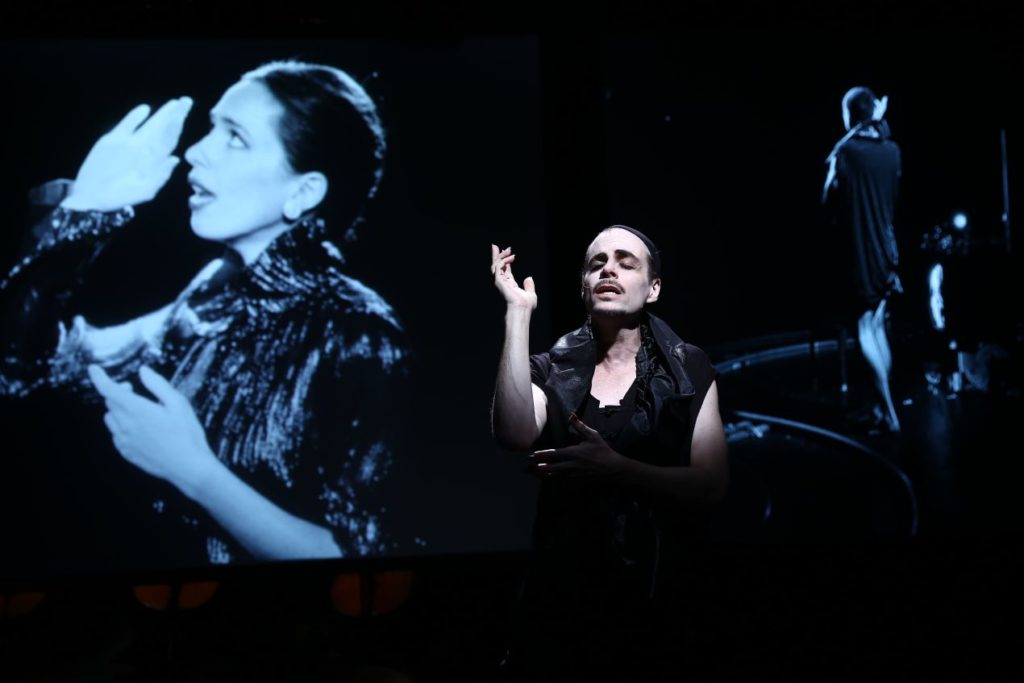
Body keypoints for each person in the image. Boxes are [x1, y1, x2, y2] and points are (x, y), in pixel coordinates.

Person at [0, 60, 410, 566]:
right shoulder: (212, 293)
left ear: (303, 192)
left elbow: (364, 560)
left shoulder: (356, 329)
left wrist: (194, 473)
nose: (195, 151)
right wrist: (86, 208)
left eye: (235, 137)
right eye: (213, 127)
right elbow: (26, 373)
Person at [489, 226, 728, 679]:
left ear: (653, 288)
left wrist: (616, 469)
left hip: (663, 597)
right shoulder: (550, 368)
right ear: (583, 284)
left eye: (625, 261)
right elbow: (515, 433)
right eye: (597, 263)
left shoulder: (689, 366)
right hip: (566, 603)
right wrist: (517, 314)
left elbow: (711, 483)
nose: (609, 269)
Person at [822, 86, 903, 432]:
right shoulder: (893, 151)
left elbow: (827, 200)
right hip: (887, 251)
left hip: (862, 254)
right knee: (878, 328)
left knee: (865, 332)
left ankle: (889, 414)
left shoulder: (847, 153)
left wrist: (835, 158)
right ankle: (883, 406)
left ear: (850, 115)